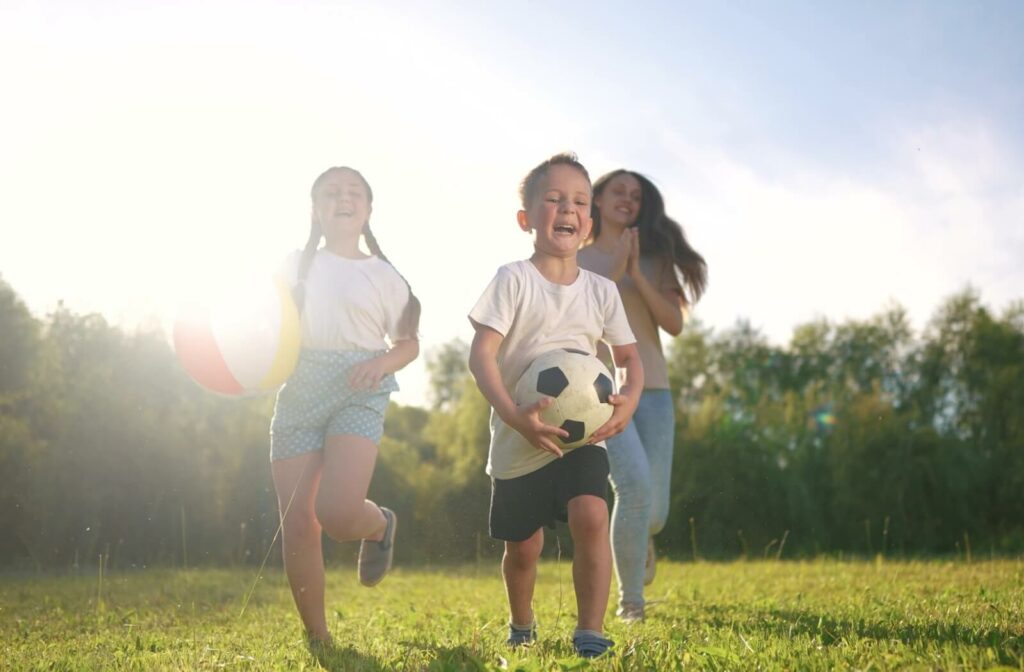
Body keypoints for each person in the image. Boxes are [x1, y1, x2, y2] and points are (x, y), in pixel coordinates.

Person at [468, 153, 644, 659]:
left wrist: (628, 401)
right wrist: (511, 414)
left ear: (588, 223)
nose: (567, 208)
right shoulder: (512, 280)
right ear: (527, 219)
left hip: (581, 435)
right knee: (522, 550)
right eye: (554, 199)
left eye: (579, 202)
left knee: (592, 514)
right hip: (519, 435)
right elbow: (482, 354)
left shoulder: (602, 292)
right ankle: (521, 625)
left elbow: (629, 358)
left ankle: (590, 632)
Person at [269, 166, 420, 645]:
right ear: (315, 209)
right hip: (301, 387)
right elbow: (261, 322)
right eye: (331, 192)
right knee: (297, 523)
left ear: (368, 210)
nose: (343, 197)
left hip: (362, 384)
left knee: (335, 515)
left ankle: (379, 524)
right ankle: (319, 636)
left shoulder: (386, 275)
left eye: (354, 192)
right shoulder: (294, 265)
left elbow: (409, 342)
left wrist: (383, 365)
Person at [577, 169, 707, 623]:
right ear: (597, 198)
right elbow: (582, 319)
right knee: (632, 488)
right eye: (618, 191)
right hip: (601, 391)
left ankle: (643, 538)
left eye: (635, 195)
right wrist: (615, 271)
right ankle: (631, 602)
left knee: (655, 511)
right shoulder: (578, 258)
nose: (627, 200)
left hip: (653, 390)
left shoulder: (654, 259)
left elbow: (673, 323)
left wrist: (636, 271)